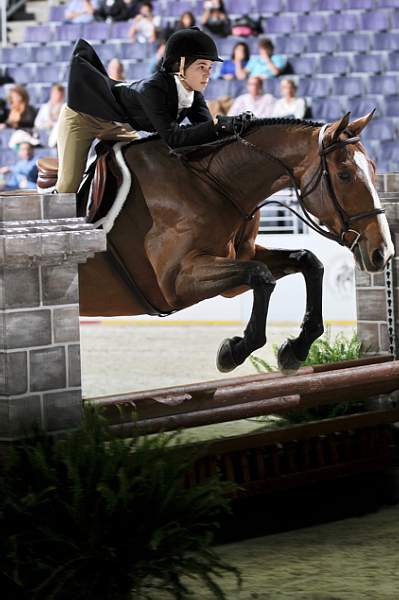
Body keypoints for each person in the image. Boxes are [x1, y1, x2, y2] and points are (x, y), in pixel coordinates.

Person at [55, 28, 242, 194]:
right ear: (180, 65)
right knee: (69, 184)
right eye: (202, 67)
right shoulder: (152, 89)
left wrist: (234, 128)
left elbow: (206, 133)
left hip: (119, 126)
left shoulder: (193, 95)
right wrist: (217, 124)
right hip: (82, 117)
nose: (208, 74)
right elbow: (174, 139)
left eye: (210, 67)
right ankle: (52, 208)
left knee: (143, 166)